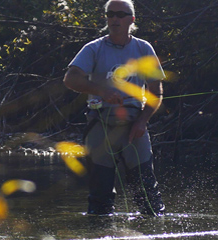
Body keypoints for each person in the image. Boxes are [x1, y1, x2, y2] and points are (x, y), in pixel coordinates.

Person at [63, 0, 165, 216]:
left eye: (120, 14)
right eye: (110, 14)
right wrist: (102, 91)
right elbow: (70, 79)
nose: (115, 19)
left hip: (134, 127)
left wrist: (142, 122)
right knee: (100, 198)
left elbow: (156, 92)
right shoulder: (93, 48)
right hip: (100, 125)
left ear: (132, 20)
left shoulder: (143, 48)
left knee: (148, 198)